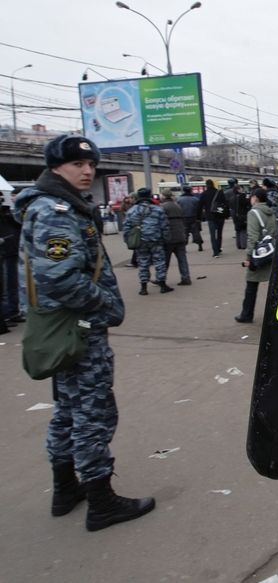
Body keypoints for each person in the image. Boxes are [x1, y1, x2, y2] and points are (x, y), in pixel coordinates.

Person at [15, 135, 155, 531]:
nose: (87, 171)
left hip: (66, 329)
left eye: (91, 164)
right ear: (56, 167)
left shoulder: (53, 206)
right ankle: (101, 500)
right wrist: (104, 305)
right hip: (77, 329)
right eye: (78, 165)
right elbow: (59, 278)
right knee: (93, 412)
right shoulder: (57, 210)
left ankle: (65, 489)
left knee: (68, 410)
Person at [234, 189, 277, 323]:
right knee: (274, 285)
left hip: (259, 253)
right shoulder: (271, 212)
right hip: (271, 251)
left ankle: (246, 314)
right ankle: (275, 314)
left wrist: (249, 256)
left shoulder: (253, 213)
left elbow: (252, 237)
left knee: (251, 284)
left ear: (256, 198)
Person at [123, 188, 173, 295]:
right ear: (150, 196)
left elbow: (126, 228)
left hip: (140, 241)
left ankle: (143, 287)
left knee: (143, 263)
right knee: (159, 262)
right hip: (156, 239)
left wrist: (128, 241)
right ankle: (162, 285)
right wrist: (167, 239)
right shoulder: (158, 209)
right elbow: (165, 226)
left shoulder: (131, 211)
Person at [1, 190, 24, 327]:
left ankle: (13, 312)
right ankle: (6, 314)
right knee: (5, 287)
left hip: (12, 249)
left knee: (13, 284)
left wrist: (10, 212)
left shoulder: (9, 213)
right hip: (4, 252)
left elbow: (20, 224)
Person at [160, 191, 192, 286]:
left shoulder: (162, 207)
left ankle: (162, 278)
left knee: (165, 260)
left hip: (169, 236)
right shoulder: (177, 206)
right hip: (180, 235)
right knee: (182, 258)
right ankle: (186, 277)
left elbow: (161, 222)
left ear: (164, 197)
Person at [200, 179, 227, 257]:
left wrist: (199, 217)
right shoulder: (219, 192)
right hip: (220, 215)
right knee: (219, 233)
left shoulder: (204, 194)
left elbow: (200, 206)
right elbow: (225, 203)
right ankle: (218, 248)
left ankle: (215, 252)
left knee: (212, 235)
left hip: (210, 217)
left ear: (206, 185)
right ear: (213, 184)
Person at [177, 184, 203, 252]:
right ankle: (200, 245)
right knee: (196, 232)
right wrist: (199, 218)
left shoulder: (179, 200)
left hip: (183, 218)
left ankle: (184, 248)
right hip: (194, 218)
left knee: (185, 233)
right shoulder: (195, 199)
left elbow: (178, 210)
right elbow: (199, 209)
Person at [224, 178, 249, 250]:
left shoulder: (230, 196)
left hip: (234, 214)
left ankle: (238, 244)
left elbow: (228, 205)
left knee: (237, 229)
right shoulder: (242, 196)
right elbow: (246, 205)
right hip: (242, 214)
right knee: (243, 230)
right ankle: (243, 244)